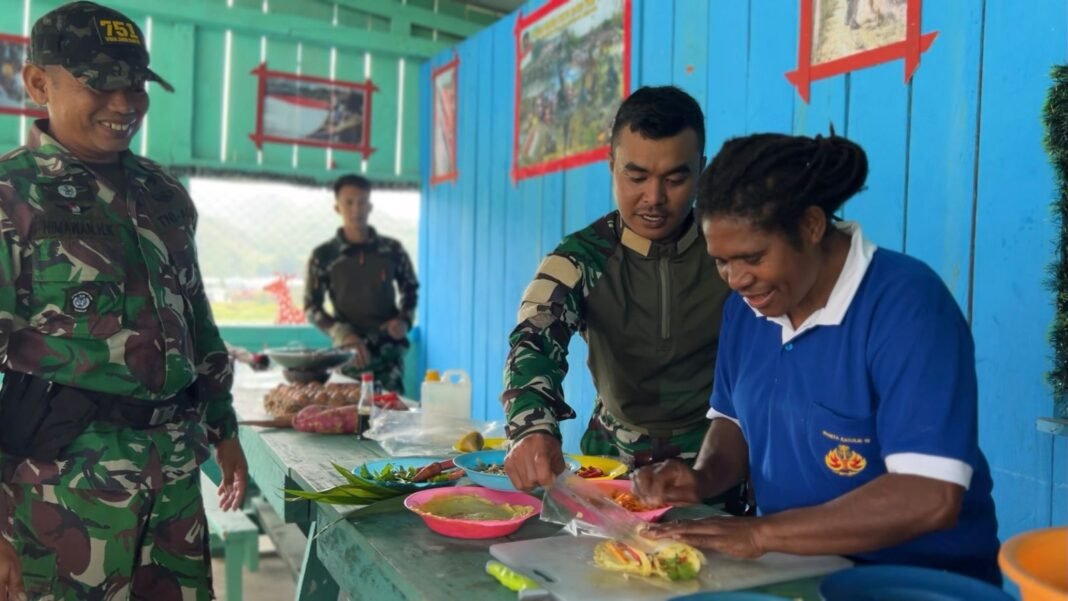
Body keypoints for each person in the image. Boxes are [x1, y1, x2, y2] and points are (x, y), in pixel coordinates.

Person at [633, 132, 1001, 584]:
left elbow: (929, 495)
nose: (735, 279)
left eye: (751, 257)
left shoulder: (906, 306)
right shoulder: (748, 311)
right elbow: (734, 423)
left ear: (810, 226)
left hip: (918, 581)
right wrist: (703, 477)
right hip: (795, 570)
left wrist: (761, 533)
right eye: (721, 261)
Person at [0, 2, 248, 599]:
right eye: (99, 82)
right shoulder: (12, 196)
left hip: (176, 478)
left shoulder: (163, 193)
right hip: (60, 489)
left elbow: (195, 317)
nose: (124, 102)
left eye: (135, 83)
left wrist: (224, 427)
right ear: (38, 82)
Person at [502, 86, 734, 493]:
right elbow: (534, 338)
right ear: (612, 167)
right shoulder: (581, 258)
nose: (654, 198)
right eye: (637, 176)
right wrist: (531, 426)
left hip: (713, 467)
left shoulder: (734, 249)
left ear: (702, 170)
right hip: (610, 466)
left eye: (676, 178)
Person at [305, 174, 418, 393]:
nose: (356, 209)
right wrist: (342, 334)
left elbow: (410, 289)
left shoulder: (392, 250)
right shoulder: (323, 256)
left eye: (362, 202)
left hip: (389, 355)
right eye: (349, 202)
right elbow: (312, 307)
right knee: (349, 419)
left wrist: (404, 320)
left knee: (392, 420)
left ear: (370, 206)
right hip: (350, 357)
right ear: (337, 208)